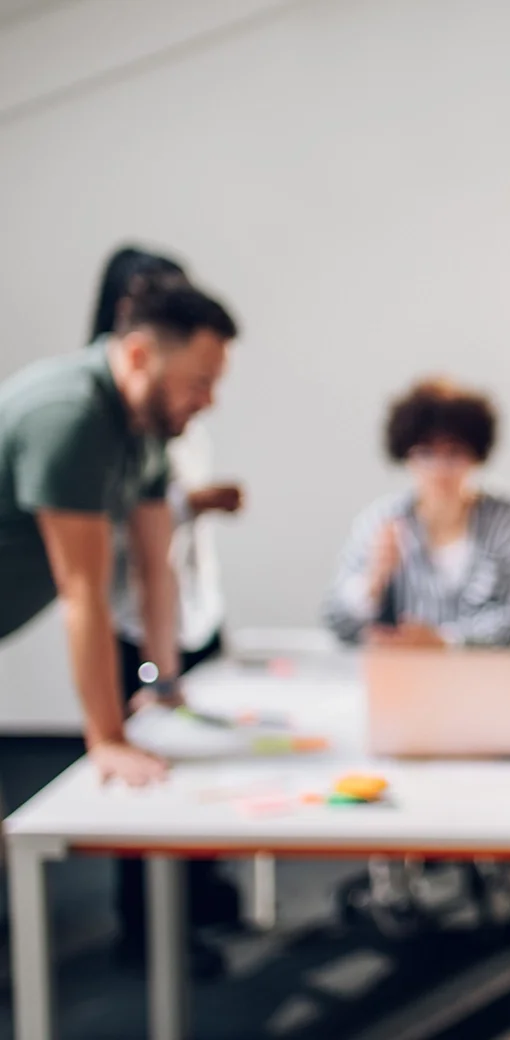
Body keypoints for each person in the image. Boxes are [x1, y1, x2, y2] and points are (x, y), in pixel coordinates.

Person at [0, 276, 237, 787]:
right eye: (199, 383)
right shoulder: (72, 417)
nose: (209, 401)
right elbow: (83, 592)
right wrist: (108, 739)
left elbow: (157, 565)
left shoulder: (146, 431)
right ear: (138, 355)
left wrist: (164, 683)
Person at [88, 246, 246, 970]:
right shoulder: (103, 422)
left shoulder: (166, 420)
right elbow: (114, 570)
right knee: (142, 771)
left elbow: (162, 560)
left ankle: (196, 898)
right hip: (138, 622)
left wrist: (168, 669)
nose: (207, 398)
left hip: (186, 614)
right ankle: (147, 932)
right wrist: (153, 673)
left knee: (195, 763)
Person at [323, 377, 510, 648]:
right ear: (407, 455)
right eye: (426, 454)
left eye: (454, 453)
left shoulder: (509, 525)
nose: (439, 470)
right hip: (403, 672)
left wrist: (445, 640)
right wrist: (372, 581)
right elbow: (337, 622)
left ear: (475, 455)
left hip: (485, 672)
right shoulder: (381, 523)